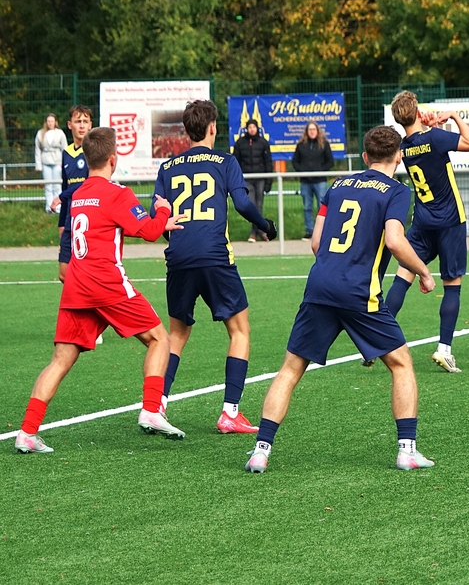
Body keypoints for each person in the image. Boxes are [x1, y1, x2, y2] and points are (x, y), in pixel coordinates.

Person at [245, 126, 437, 473]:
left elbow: (316, 243)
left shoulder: (337, 185)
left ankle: (261, 451)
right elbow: (395, 241)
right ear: (399, 157)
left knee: (290, 369)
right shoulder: (397, 191)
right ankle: (407, 450)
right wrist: (423, 271)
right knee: (401, 363)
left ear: (365, 157)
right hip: (359, 292)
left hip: (320, 287)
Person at [15, 127, 186, 453]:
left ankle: (27, 432)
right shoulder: (117, 193)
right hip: (106, 284)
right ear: (113, 159)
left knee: (60, 360)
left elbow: (104, 224)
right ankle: (152, 410)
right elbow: (149, 231)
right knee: (160, 339)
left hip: (76, 287)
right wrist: (163, 210)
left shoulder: (79, 194)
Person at [153, 100, 278, 434]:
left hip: (178, 257)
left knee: (177, 333)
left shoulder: (167, 167)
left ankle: (157, 405)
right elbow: (242, 203)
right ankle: (230, 412)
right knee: (239, 330)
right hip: (214, 256)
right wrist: (265, 225)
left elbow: (157, 214)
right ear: (212, 128)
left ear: (186, 130)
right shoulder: (225, 161)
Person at [383, 91, 469, 373]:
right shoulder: (434, 138)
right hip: (450, 220)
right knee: (452, 284)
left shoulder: (404, 147)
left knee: (403, 276)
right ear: (417, 111)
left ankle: (377, 341)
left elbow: (421, 142)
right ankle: (444, 349)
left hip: (423, 221)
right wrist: (454, 116)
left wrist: (427, 127)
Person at [52, 106, 93, 282]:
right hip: (70, 218)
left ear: (90, 125)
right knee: (64, 274)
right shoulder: (67, 153)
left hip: (88, 218)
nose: (81, 126)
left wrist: (62, 197)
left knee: (86, 273)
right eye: (78, 121)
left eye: (85, 121)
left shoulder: (94, 152)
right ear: (70, 125)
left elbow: (90, 184)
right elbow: (65, 187)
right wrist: (62, 222)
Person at [292, 120, 335, 239]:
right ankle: (309, 231)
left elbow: (330, 162)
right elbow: (295, 162)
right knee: (307, 207)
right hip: (305, 181)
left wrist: (320, 170)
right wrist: (302, 171)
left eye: (314, 129)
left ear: (317, 131)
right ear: (306, 131)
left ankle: (323, 231)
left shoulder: (324, 144)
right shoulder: (301, 145)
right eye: (310, 129)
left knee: (322, 207)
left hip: (320, 181)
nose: (312, 132)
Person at [233, 118, 273, 242]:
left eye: (253, 127)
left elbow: (268, 162)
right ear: (246, 129)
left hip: (260, 178)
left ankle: (256, 232)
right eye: (249, 127)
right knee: (252, 205)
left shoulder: (263, 142)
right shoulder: (240, 143)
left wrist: (269, 181)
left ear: (257, 128)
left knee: (259, 205)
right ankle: (258, 232)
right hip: (247, 179)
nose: (251, 129)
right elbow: (236, 161)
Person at [35, 113, 67, 214]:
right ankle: (49, 207)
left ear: (55, 122)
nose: (50, 123)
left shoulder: (60, 133)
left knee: (57, 185)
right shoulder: (40, 133)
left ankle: (58, 207)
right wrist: (38, 165)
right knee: (48, 185)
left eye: (52, 121)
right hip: (45, 162)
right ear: (46, 122)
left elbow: (64, 148)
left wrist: (65, 163)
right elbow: (37, 149)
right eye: (48, 121)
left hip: (57, 161)